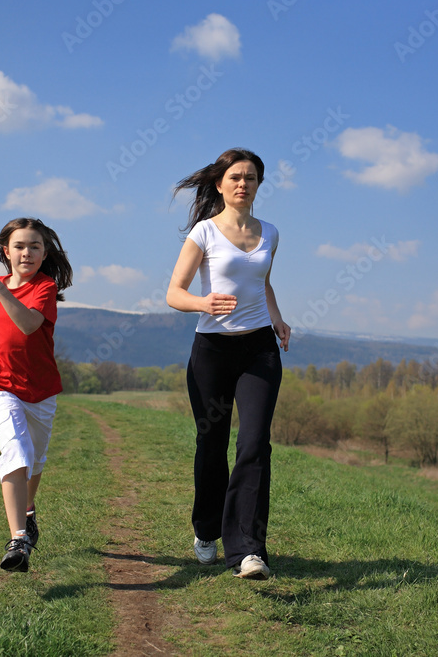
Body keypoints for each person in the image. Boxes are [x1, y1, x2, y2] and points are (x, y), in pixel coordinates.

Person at [166, 148, 291, 580]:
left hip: (259, 350)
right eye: (235, 177)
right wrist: (204, 302)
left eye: (251, 178)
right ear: (220, 184)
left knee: (255, 443)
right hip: (212, 353)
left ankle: (248, 550)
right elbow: (174, 293)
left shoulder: (270, 233)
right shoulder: (203, 233)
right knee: (211, 446)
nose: (243, 184)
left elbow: (263, 283)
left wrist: (276, 318)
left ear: (259, 185)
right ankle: (206, 530)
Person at [0, 217, 73, 572]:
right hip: (0, 385)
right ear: (6, 251)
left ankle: (28, 511)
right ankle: (18, 539)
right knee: (15, 450)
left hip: (41, 390)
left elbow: (28, 324)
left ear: (45, 253)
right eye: (19, 246)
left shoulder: (44, 288)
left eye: (34, 246)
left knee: (35, 460)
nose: (26, 253)